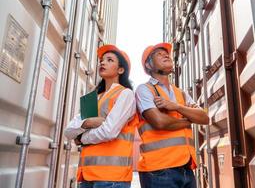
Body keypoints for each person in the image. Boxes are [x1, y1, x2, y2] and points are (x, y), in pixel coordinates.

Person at [135, 42, 209, 188]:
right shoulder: (144, 90)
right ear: (148, 66)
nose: (165, 55)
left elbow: (204, 118)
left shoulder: (180, 93)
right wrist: (188, 121)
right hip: (158, 170)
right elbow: (159, 122)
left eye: (166, 53)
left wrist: (175, 106)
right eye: (158, 54)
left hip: (186, 168)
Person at [64, 45, 137, 188]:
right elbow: (68, 131)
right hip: (87, 176)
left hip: (112, 178)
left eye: (110, 60)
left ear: (120, 70)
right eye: (102, 60)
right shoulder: (92, 98)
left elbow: (109, 131)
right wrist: (87, 123)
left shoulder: (125, 94)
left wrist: (81, 138)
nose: (102, 63)